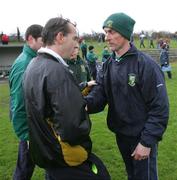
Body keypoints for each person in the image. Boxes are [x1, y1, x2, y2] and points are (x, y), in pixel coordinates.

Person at [23, 17, 110, 180]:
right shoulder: (57, 71)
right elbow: (72, 127)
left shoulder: (33, 65)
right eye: (75, 38)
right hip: (64, 157)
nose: (76, 43)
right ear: (60, 37)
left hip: (48, 153)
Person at [85, 12, 169, 180]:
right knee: (132, 175)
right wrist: (83, 105)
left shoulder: (146, 65)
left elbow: (159, 108)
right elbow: (100, 95)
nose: (106, 37)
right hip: (121, 134)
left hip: (142, 136)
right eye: (105, 32)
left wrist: (146, 142)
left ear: (125, 33)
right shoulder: (108, 65)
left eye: (111, 32)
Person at [9, 24, 43, 180]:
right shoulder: (24, 64)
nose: (46, 42)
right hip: (29, 129)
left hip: (36, 125)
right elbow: (18, 103)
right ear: (31, 39)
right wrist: (26, 135)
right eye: (43, 39)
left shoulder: (33, 59)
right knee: (24, 169)